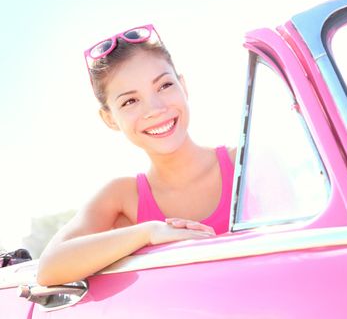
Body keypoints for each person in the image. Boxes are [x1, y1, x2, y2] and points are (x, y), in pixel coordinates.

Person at [37, 24, 236, 286]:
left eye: (164, 85)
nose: (155, 109)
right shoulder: (122, 197)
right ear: (110, 119)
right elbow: (49, 267)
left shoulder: (244, 163)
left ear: (183, 85)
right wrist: (149, 232)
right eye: (130, 101)